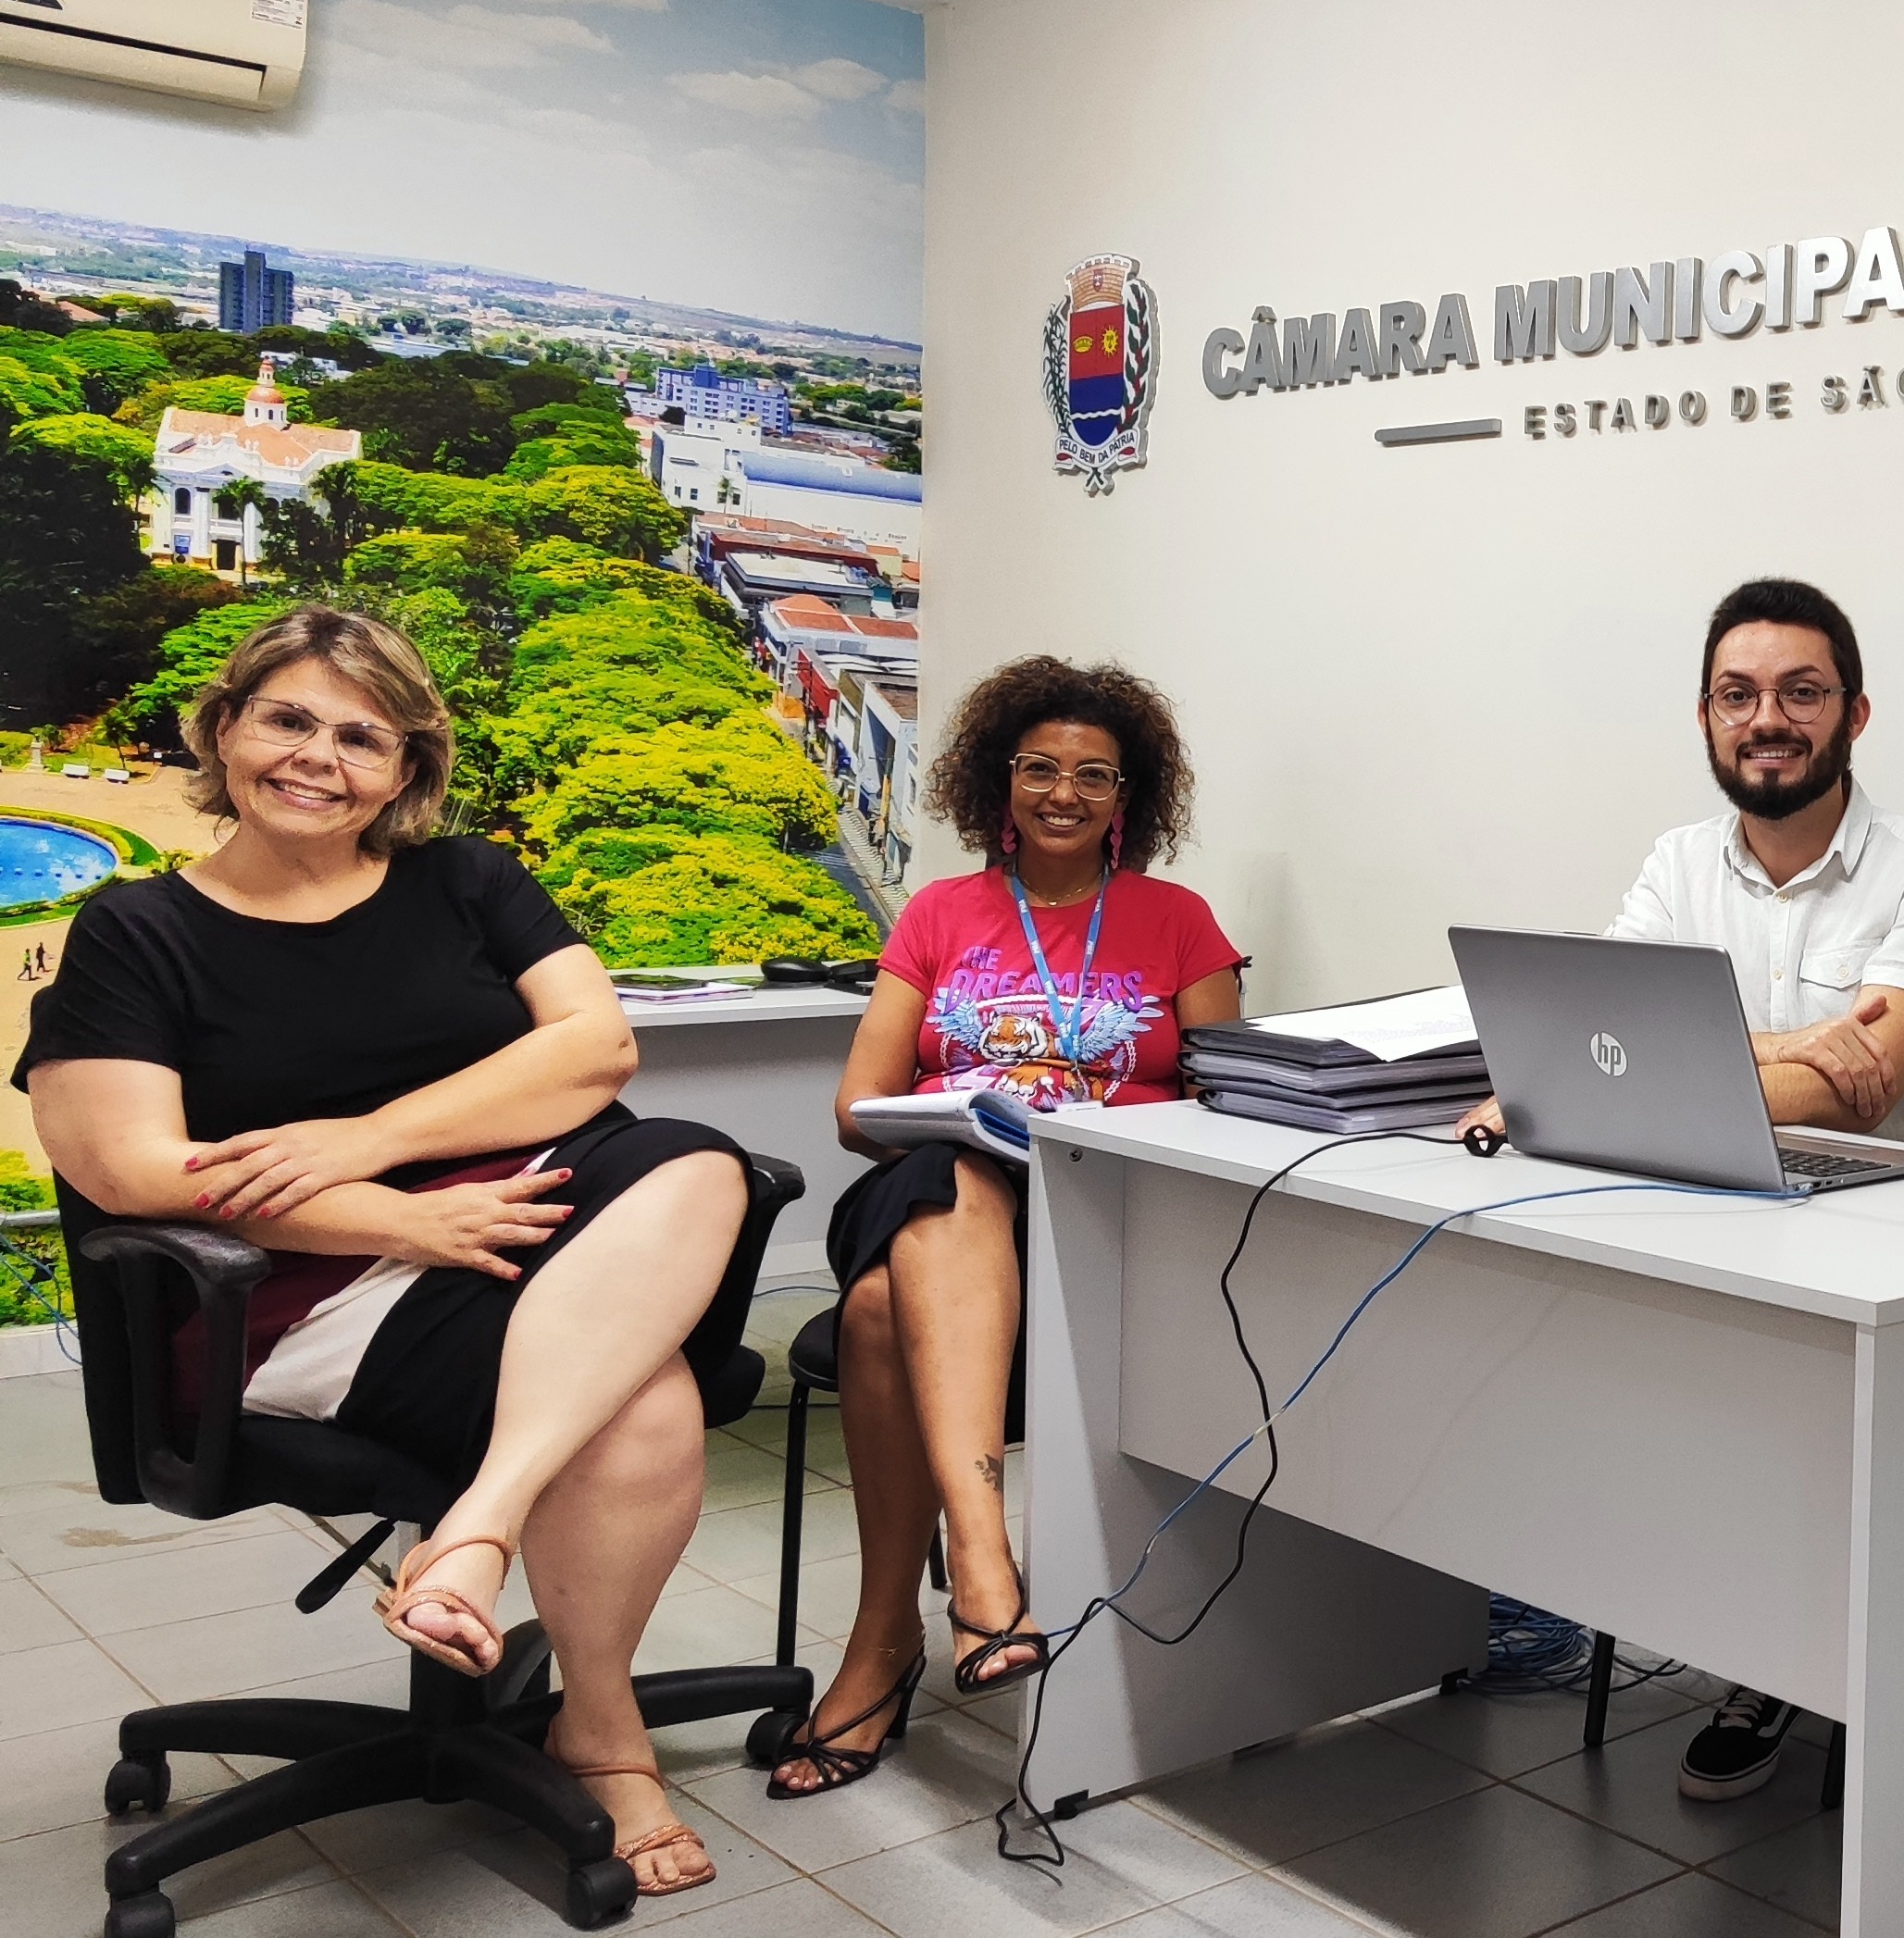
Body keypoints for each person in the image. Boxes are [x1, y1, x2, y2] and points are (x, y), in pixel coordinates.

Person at [19, 608, 760, 1900]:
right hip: (302, 1306)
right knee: (645, 1404)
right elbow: (132, 1170)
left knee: (702, 1159)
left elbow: (596, 1053)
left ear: (406, 771)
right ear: (225, 729)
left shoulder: (467, 882)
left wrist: (360, 1141)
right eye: (288, 719)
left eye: (362, 737)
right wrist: (395, 1217)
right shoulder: (136, 934)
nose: (319, 758)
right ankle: (604, 1728)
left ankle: (476, 1530)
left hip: (521, 1232)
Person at [1467, 576, 1904, 1801]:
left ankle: (1824, 1667)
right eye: (1739, 694)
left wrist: (1710, 1056)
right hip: (1717, 1197)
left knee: (1786, 1398)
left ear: (1855, 714)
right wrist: (1801, 1041)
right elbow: (1600, 1038)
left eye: (1802, 693)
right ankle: (1768, 1640)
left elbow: (1856, 1095)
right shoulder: (1676, 863)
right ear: (1704, 717)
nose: (1770, 718)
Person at [766, 657, 1245, 1798]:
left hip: (1101, 1222)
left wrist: (1079, 1117)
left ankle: (880, 1651)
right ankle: (984, 1565)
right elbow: (857, 1109)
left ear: (1127, 795)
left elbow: (1232, 1106)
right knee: (954, 1178)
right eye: (1040, 768)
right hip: (928, 1184)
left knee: (880, 1312)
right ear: (1001, 780)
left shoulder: (1178, 923)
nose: (1064, 792)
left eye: (1093, 773)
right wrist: (982, 1113)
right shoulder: (940, 913)